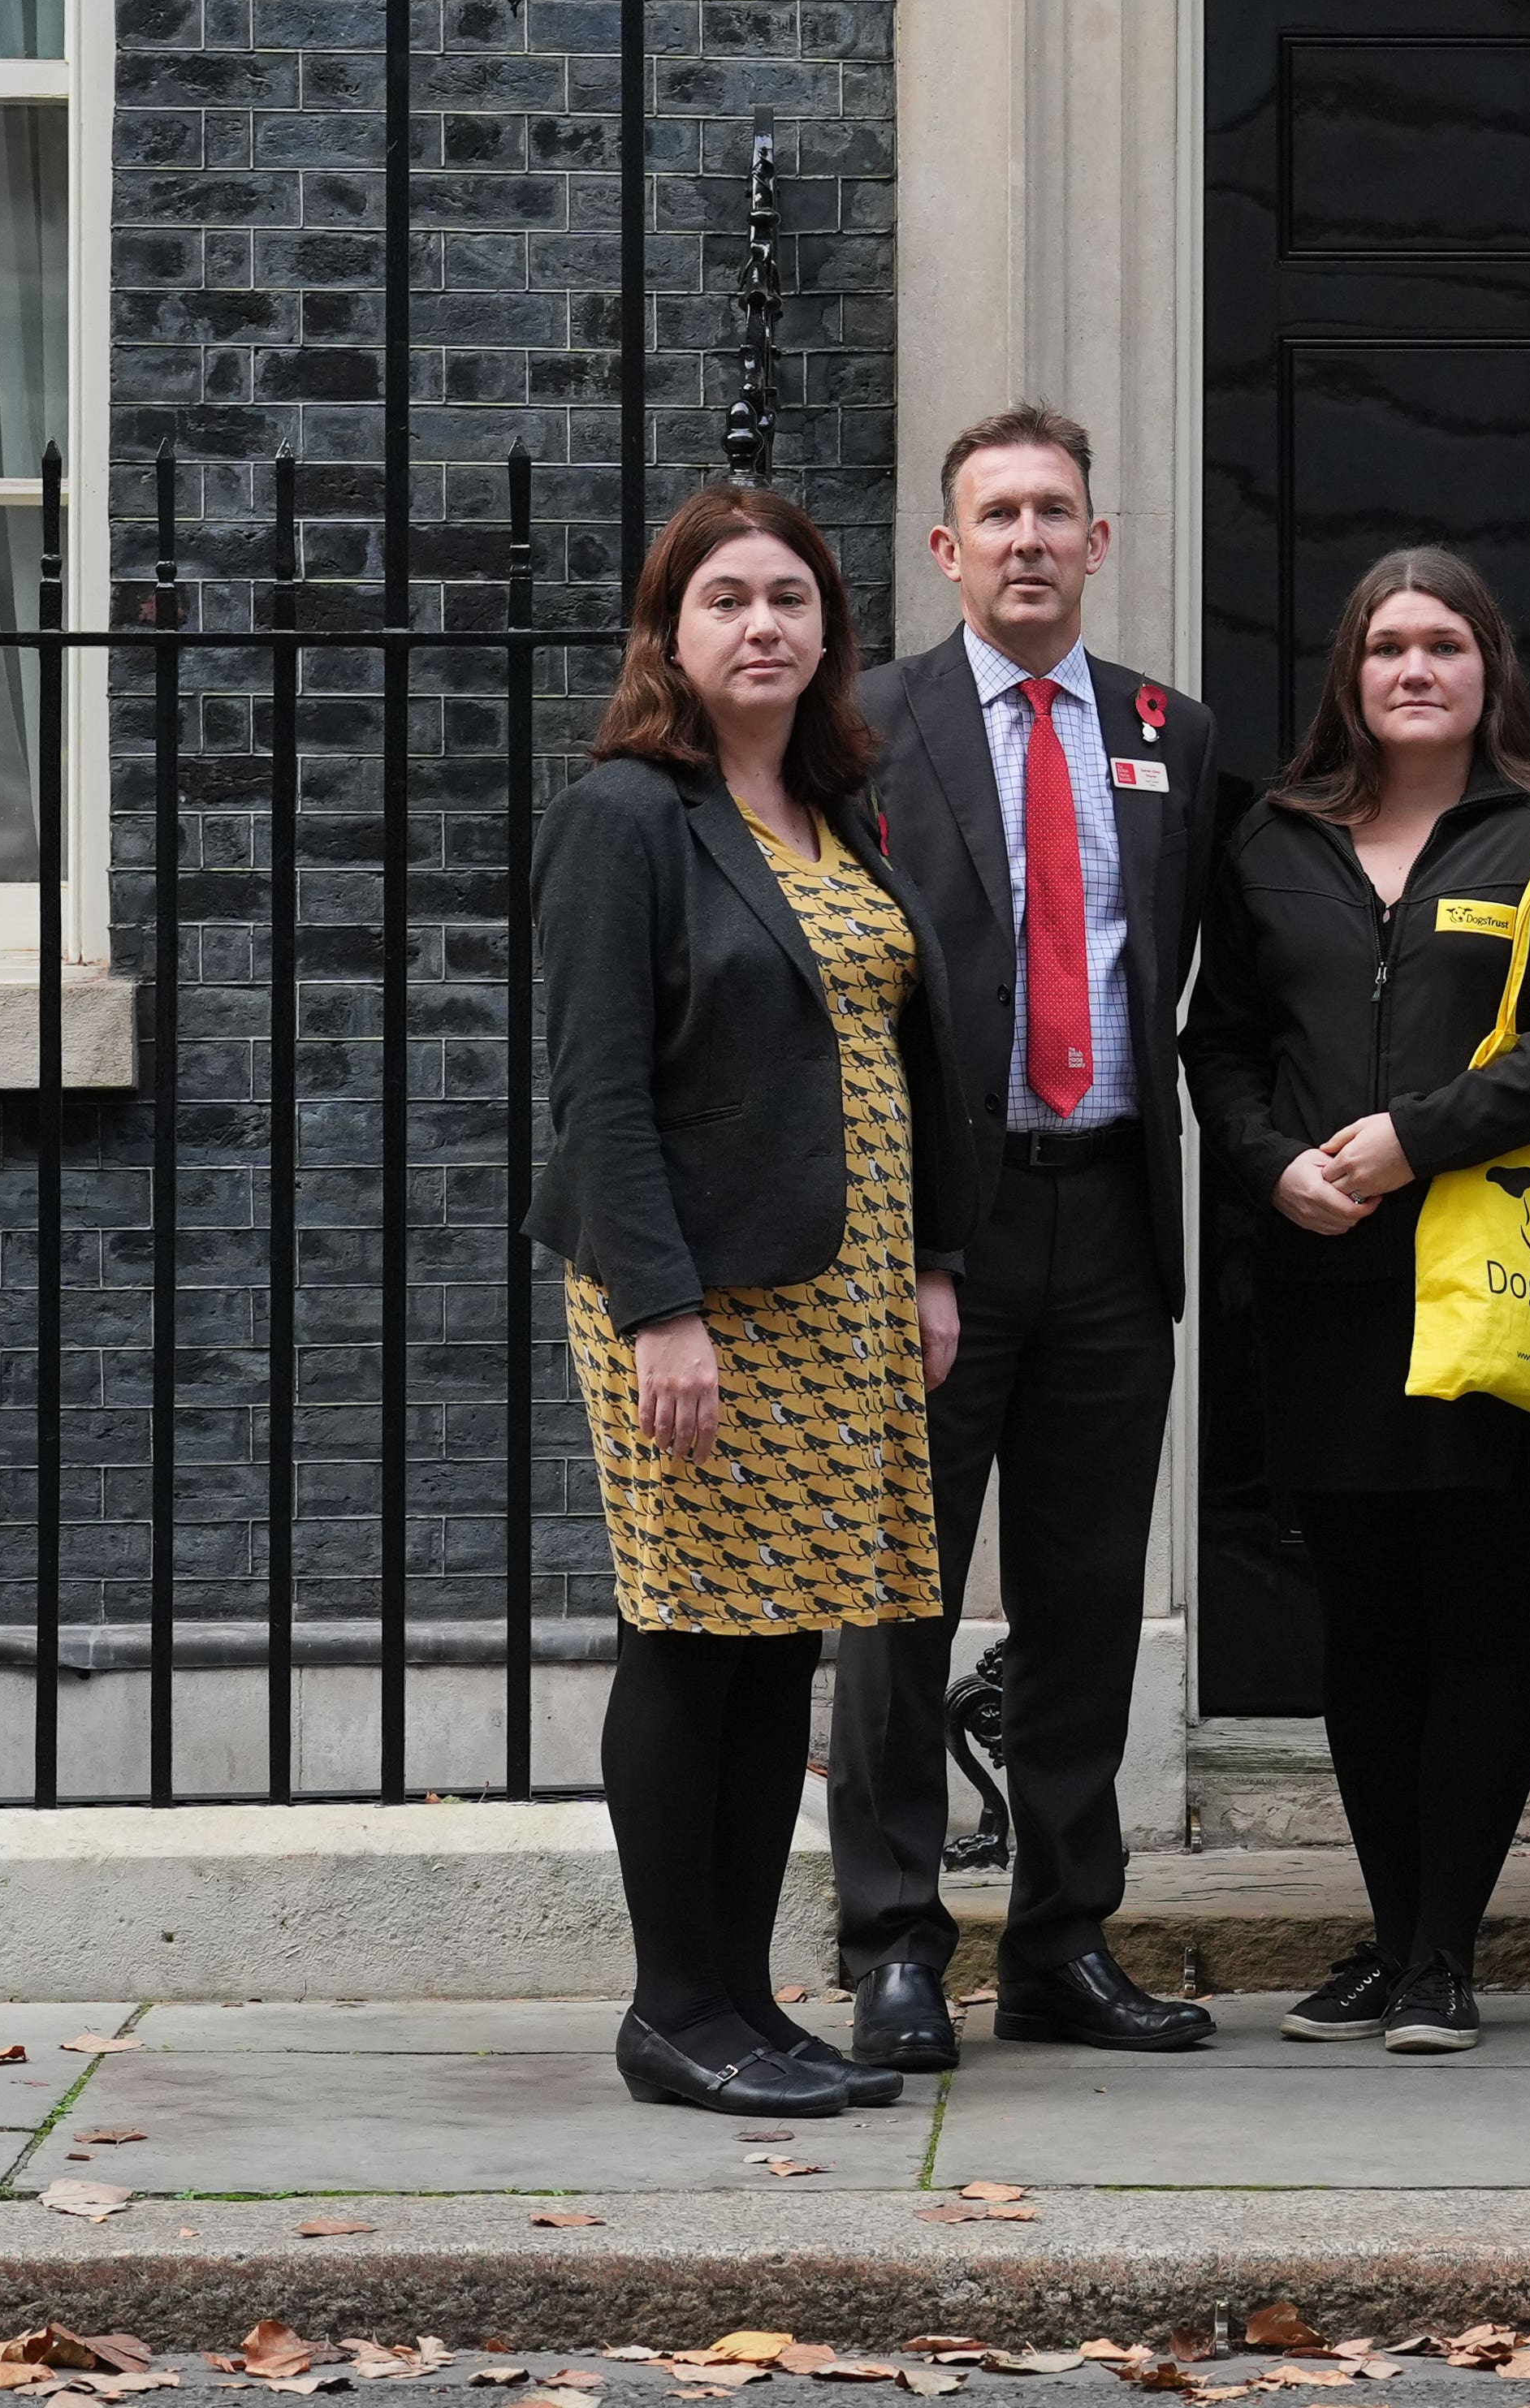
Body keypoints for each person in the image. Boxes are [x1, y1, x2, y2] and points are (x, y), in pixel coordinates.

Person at [525, 485, 973, 2119]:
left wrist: (930, 1262)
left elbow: (896, 1059)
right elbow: (600, 1091)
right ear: (671, 631)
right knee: (689, 1640)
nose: (764, 625)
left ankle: (751, 2001)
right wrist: (660, 1312)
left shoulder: (835, 807)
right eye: (728, 599)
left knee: (780, 1642)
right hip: (696, 1297)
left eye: (791, 598)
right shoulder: (627, 819)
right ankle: (674, 2009)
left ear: (829, 634)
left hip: (840, 1295)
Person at [1184, 546, 1530, 2056]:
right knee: (1362, 1627)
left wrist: (1410, 1138)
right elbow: (1222, 1042)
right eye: (1387, 646)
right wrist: (1269, 1168)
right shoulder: (1273, 838)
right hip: (1321, 1286)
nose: (1415, 670)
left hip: (1491, 1286)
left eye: (1444, 643)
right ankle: (1390, 1945)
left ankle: (1448, 1952)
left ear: (1488, 667)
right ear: (1351, 672)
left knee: (1475, 1612)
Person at [825, 406, 1224, 2074]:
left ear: (1098, 540)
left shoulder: (1171, 734)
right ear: (946, 550)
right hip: (939, 1236)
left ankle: (1066, 1940)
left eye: (1056, 511)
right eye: (996, 515)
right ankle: (896, 1943)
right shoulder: (867, 726)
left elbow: (1196, 952)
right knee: (899, 1598)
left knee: (1083, 1601)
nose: (1029, 540)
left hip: (1114, 1213)